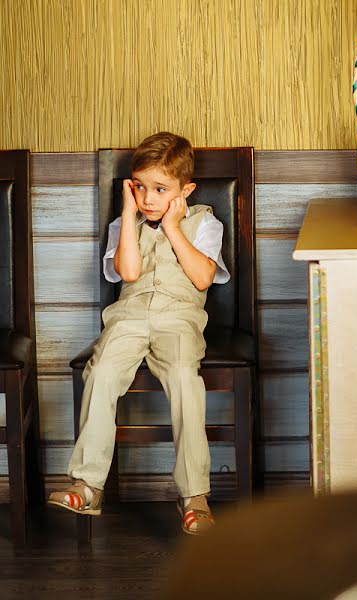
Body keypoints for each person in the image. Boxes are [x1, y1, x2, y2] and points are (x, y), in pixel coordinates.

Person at [48, 132, 229, 535]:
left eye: (160, 189)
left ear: (186, 190)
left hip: (178, 319)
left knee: (185, 381)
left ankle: (194, 496)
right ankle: (89, 483)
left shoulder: (205, 222)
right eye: (140, 188)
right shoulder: (123, 224)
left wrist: (173, 226)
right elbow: (128, 273)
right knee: (101, 373)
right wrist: (128, 216)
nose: (149, 198)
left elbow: (202, 279)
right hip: (127, 318)